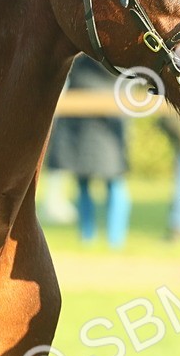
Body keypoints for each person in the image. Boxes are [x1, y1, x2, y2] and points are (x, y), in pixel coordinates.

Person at [45, 55, 132, 248]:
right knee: (107, 183)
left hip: (92, 125)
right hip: (98, 124)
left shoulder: (80, 58)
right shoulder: (116, 59)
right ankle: (110, 240)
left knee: (104, 184)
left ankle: (94, 238)